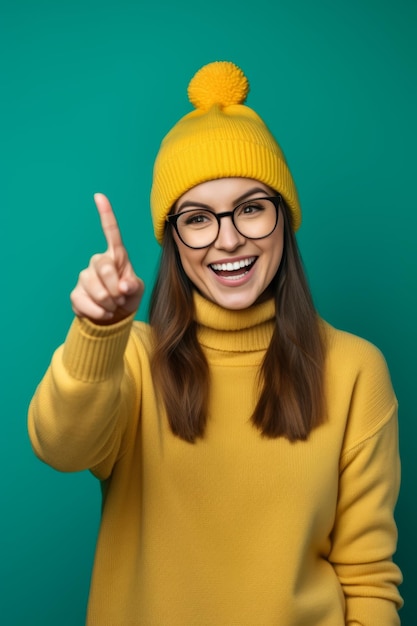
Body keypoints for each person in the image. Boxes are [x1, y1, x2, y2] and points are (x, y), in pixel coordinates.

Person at [28, 61, 403, 625]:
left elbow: (368, 578)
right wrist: (97, 332)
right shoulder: (127, 358)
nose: (228, 238)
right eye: (198, 218)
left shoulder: (354, 370)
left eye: (252, 208)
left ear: (285, 219)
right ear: (173, 240)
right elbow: (59, 446)